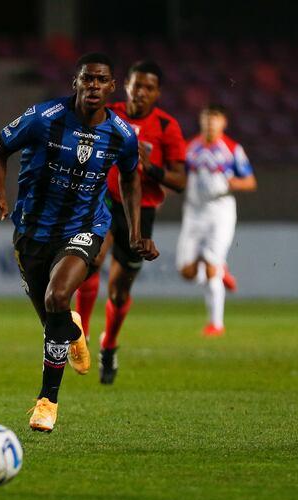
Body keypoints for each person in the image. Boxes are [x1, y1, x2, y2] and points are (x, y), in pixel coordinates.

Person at [0, 52, 159, 433]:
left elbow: (131, 178)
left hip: (85, 226)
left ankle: (47, 402)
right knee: (54, 322)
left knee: (58, 297)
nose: (93, 85)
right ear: (75, 83)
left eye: (101, 80)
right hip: (32, 230)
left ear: (112, 87)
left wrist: (135, 231)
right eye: (87, 79)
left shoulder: (122, 135)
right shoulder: (43, 118)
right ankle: (73, 331)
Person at [74, 60, 187, 385]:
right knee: (91, 260)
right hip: (103, 202)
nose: (141, 92)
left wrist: (150, 168)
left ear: (157, 93)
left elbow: (180, 181)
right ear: (126, 85)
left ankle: (108, 345)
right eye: (136, 85)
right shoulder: (109, 115)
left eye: (148, 87)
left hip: (141, 212)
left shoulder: (166, 126)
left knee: (120, 293)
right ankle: (81, 336)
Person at [176, 104, 257, 336]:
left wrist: (236, 183)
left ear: (223, 123)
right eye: (206, 119)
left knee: (210, 264)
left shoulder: (232, 149)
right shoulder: (190, 148)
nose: (210, 123)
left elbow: (250, 181)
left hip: (220, 214)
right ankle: (220, 268)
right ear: (201, 122)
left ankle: (216, 324)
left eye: (215, 119)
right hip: (193, 214)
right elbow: (180, 176)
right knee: (187, 272)